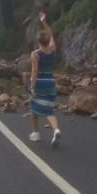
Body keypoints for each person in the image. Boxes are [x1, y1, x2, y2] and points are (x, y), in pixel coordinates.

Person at [29, 12, 61, 148]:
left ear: (38, 41)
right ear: (48, 41)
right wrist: (44, 22)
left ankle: (36, 133)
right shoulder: (53, 49)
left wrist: (32, 86)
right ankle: (56, 130)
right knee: (49, 110)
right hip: (50, 83)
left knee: (34, 109)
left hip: (40, 83)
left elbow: (34, 71)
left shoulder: (35, 54)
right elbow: (51, 34)